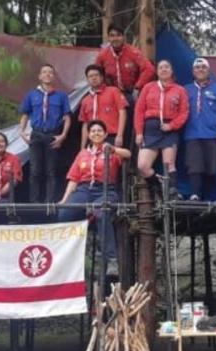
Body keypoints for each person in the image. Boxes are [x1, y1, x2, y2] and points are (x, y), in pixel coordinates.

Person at [59, 120, 131, 276]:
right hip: (84, 189)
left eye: (99, 131)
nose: (96, 133)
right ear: (89, 135)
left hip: (106, 190)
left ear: (105, 134)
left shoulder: (110, 150)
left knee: (101, 212)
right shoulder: (82, 154)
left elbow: (128, 154)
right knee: (64, 213)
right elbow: (74, 179)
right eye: (93, 131)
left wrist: (113, 149)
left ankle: (112, 260)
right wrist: (65, 199)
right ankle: (65, 256)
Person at [134, 59, 189, 200]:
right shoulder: (148, 87)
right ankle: (159, 187)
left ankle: (172, 194)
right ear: (157, 72)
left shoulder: (180, 90)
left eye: (167, 67)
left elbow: (184, 112)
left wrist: (172, 126)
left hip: (169, 130)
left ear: (172, 71)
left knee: (169, 164)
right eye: (161, 68)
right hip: (150, 129)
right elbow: (139, 111)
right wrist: (139, 132)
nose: (164, 70)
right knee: (143, 166)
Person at [18, 64, 72, 203]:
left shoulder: (61, 96)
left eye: (50, 72)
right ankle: (34, 203)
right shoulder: (31, 95)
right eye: (44, 72)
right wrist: (22, 132)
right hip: (36, 134)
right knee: (35, 170)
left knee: (51, 170)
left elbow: (67, 117)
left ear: (54, 76)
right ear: (40, 76)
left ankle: (50, 202)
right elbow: (25, 115)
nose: (47, 74)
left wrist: (63, 135)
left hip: (53, 134)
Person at [183, 57, 216, 200]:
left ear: (209, 71)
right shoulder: (186, 89)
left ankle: (209, 198)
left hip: (213, 135)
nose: (200, 70)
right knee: (194, 166)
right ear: (193, 71)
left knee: (213, 168)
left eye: (203, 67)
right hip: (192, 134)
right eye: (197, 68)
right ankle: (195, 195)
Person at [95, 24, 155, 95]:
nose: (115, 38)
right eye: (112, 36)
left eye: (118, 35)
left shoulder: (134, 52)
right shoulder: (102, 55)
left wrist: (137, 87)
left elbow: (149, 69)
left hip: (131, 92)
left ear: (123, 37)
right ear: (108, 38)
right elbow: (95, 73)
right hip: (111, 93)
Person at [79, 64, 128, 149]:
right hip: (93, 139)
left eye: (96, 75)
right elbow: (85, 123)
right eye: (90, 76)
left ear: (102, 77)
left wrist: (120, 135)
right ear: (87, 80)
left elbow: (122, 112)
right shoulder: (85, 100)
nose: (94, 78)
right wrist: (83, 147)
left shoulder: (113, 91)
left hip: (111, 136)